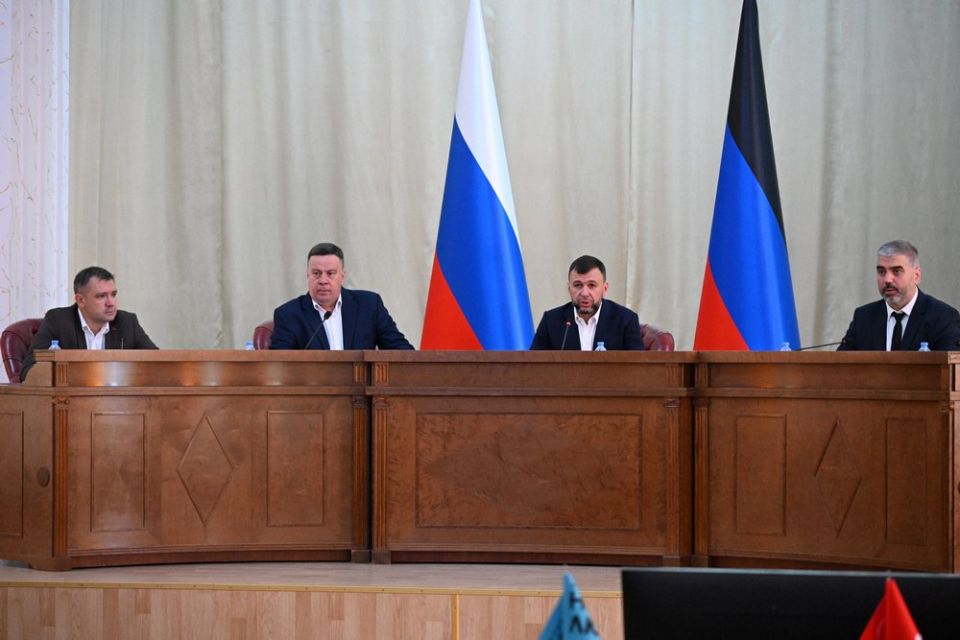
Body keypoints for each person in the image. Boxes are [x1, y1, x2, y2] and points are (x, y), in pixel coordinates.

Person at [19, 266, 158, 381]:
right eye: (101, 296)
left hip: (117, 401)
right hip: (72, 401)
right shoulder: (58, 321)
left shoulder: (127, 322)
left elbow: (158, 364)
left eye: (113, 294)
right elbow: (28, 370)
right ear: (80, 300)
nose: (111, 303)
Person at [270, 242, 414, 350]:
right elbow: (278, 365)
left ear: (342, 276)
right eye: (316, 273)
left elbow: (399, 349)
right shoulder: (288, 315)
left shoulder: (369, 306)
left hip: (360, 382)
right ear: (308, 275)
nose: (323, 280)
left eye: (330, 273)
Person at [838, 240, 960, 351]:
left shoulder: (942, 317)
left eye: (896, 271)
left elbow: (951, 365)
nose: (887, 280)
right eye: (881, 271)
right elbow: (839, 364)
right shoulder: (864, 317)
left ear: (916, 276)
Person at [530, 254, 645, 350]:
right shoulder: (551, 321)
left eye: (592, 285)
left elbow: (637, 367)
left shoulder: (626, 320)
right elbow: (535, 365)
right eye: (578, 285)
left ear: (604, 289)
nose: (585, 293)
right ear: (569, 288)